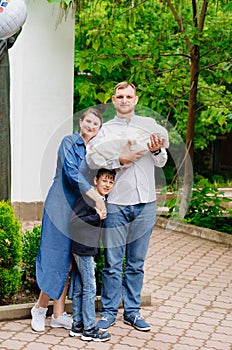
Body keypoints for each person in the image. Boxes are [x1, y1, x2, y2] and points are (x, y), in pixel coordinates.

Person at [79, 82, 168, 332]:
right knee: (113, 263)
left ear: (136, 99)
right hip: (117, 203)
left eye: (129, 96)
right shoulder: (106, 130)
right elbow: (93, 160)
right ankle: (108, 312)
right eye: (120, 96)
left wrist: (157, 149)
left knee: (136, 263)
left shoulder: (149, 127)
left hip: (146, 202)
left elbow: (161, 162)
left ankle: (132, 312)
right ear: (114, 100)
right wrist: (119, 159)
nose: (125, 100)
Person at [31, 108, 105, 332]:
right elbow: (71, 174)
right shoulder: (69, 142)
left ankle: (58, 314)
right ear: (80, 122)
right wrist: (97, 198)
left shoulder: (93, 150)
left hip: (79, 209)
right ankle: (39, 308)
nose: (91, 126)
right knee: (56, 257)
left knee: (71, 260)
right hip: (60, 205)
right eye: (88, 121)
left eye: (96, 124)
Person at [69, 168, 116, 342]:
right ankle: (89, 328)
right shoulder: (88, 198)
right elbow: (73, 221)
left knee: (82, 286)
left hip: (87, 248)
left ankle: (78, 324)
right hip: (83, 248)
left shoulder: (102, 200)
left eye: (111, 182)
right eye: (104, 180)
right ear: (96, 180)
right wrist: (96, 217)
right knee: (90, 287)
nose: (107, 184)